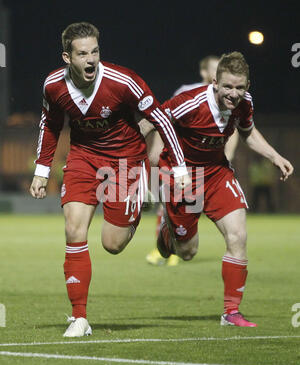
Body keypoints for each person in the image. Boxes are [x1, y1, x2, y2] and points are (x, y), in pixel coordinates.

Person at [29, 22, 190, 338]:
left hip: (125, 162)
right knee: (74, 228)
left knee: (112, 244)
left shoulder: (124, 81)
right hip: (82, 158)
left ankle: (152, 214)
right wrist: (42, 169)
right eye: (82, 54)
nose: (90, 60)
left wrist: (181, 168)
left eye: (95, 52)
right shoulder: (53, 86)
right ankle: (79, 318)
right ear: (67, 57)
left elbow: (160, 118)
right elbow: (50, 125)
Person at [154, 52, 294, 327]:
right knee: (187, 253)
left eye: (240, 88)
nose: (233, 93)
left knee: (238, 235)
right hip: (183, 176)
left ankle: (231, 312)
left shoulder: (244, 104)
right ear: (215, 82)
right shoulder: (190, 101)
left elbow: (247, 132)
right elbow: (156, 120)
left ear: (247, 86)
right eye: (228, 87)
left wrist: (275, 156)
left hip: (217, 174)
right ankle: (169, 232)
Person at [145, 55, 239, 267]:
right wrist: (157, 147)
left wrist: (229, 154)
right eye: (215, 70)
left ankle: (178, 243)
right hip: (181, 163)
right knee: (170, 207)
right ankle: (165, 247)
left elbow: (238, 129)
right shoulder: (188, 92)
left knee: (195, 224)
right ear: (205, 73)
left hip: (211, 166)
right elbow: (165, 119)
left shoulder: (230, 97)